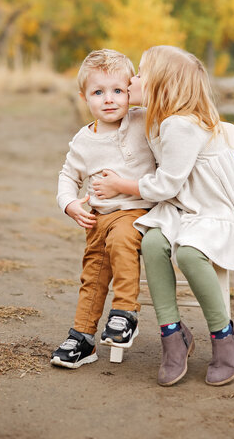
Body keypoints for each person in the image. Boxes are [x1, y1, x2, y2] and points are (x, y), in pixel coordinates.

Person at [93, 45, 234, 386]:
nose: (133, 79)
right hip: (180, 206)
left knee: (188, 253)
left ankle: (224, 333)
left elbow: (165, 184)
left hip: (211, 209)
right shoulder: (161, 119)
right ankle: (172, 334)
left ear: (161, 85)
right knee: (153, 241)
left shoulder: (180, 126)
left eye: (141, 74)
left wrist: (120, 186)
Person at [51, 49, 156, 369]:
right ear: (84, 97)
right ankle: (83, 336)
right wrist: (69, 203)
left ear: (131, 92)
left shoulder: (142, 121)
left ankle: (126, 312)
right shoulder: (83, 141)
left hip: (136, 210)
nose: (109, 100)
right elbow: (68, 176)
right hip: (98, 217)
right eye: (98, 92)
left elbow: (165, 104)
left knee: (122, 241)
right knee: (93, 273)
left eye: (118, 91)